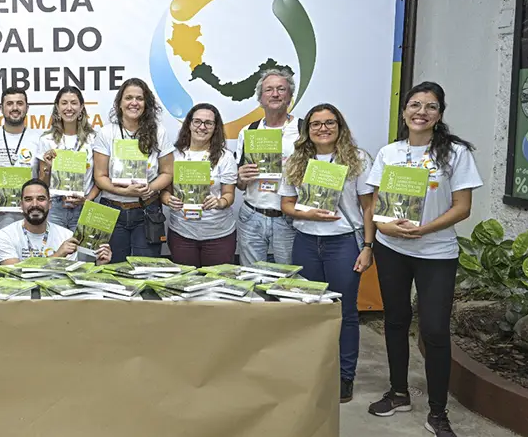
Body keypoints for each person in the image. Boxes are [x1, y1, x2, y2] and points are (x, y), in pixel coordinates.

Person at [366, 82, 481, 437]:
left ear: (440, 114)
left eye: (431, 106)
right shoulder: (389, 153)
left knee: (433, 330)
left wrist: (425, 229)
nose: (421, 111)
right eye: (415, 105)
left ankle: (438, 413)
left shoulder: (455, 154)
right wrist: (384, 227)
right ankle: (398, 392)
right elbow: (375, 203)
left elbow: (462, 207)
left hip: (436, 252)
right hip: (391, 249)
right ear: (404, 113)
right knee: (396, 320)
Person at [279, 104, 375, 404]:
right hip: (306, 242)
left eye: (329, 122)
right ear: (307, 129)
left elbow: (368, 207)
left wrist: (368, 247)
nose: (323, 128)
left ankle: (345, 377)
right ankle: (313, 371)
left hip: (343, 243)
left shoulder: (357, 159)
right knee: (311, 309)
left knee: (344, 314)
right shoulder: (297, 160)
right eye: (316, 124)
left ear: (340, 126)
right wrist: (309, 215)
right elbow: (286, 205)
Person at [92, 78, 174, 263]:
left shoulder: (158, 132)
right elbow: (100, 177)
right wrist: (124, 191)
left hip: (147, 210)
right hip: (112, 210)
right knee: (113, 269)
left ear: (147, 104)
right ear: (119, 103)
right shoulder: (106, 133)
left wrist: (149, 188)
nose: (134, 103)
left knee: (145, 269)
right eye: (128, 98)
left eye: (140, 98)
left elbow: (168, 173)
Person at [234, 68, 302, 265]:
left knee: (288, 281)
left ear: (290, 96)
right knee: (252, 279)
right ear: (260, 98)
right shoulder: (248, 131)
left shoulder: (303, 130)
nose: (275, 94)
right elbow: (239, 184)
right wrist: (242, 177)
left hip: (288, 218)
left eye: (281, 89)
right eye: (269, 90)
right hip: (252, 215)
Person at [161, 103, 237, 267]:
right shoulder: (173, 155)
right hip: (182, 233)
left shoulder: (226, 157)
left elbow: (229, 194)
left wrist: (220, 202)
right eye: (197, 121)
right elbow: (164, 192)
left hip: (218, 234)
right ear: (189, 124)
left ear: (215, 127)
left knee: (216, 285)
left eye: (208, 123)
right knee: (185, 284)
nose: (202, 127)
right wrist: (168, 200)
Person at [0, 87, 41, 264]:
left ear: (27, 107)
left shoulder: (40, 139)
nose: (15, 108)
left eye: (19, 103)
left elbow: (43, 180)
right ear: (1, 108)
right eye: (9, 103)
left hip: (31, 224)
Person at [0, 179, 112, 265]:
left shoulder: (66, 236)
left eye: (41, 199)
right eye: (28, 199)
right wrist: (57, 255)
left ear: (50, 204)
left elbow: (68, 277)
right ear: (21, 205)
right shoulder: (5, 235)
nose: (35, 204)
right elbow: (14, 272)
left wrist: (100, 264)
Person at [34, 85, 99, 229]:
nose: (69, 108)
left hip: (84, 207)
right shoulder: (46, 139)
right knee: (56, 251)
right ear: (57, 107)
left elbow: (100, 177)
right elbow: (42, 183)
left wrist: (88, 199)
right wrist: (48, 168)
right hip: (55, 207)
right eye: (64, 103)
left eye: (74, 103)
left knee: (82, 252)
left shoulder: (94, 139)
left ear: (81, 107)